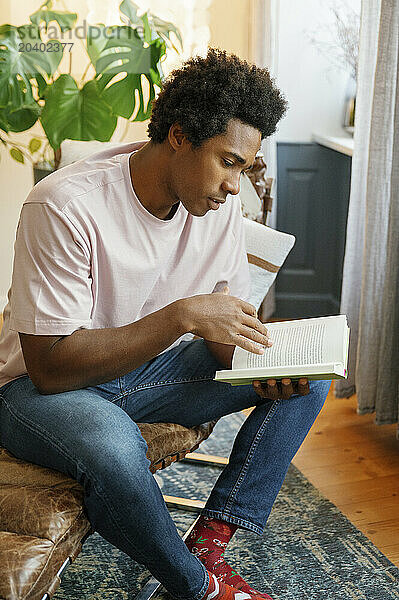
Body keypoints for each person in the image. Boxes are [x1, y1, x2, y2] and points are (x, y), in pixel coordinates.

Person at [0, 48, 330, 600]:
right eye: (228, 162)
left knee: (309, 377)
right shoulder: (62, 205)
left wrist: (256, 366)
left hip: (149, 375)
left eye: (245, 169)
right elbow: (52, 367)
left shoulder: (219, 209)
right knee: (114, 445)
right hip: (39, 393)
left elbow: (228, 330)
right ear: (178, 136)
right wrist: (181, 315)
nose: (235, 186)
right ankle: (197, 588)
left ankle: (212, 541)